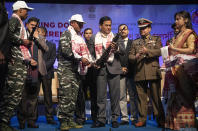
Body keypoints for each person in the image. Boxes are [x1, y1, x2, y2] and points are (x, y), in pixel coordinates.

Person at [0, 1, 33, 131]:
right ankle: (3, 121)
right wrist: (23, 41)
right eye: (26, 10)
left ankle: (4, 121)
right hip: (15, 63)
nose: (27, 13)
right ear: (19, 10)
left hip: (18, 62)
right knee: (13, 93)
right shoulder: (14, 20)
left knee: (15, 93)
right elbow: (7, 36)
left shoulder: (18, 21)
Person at [163, 11, 197, 130]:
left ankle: (187, 125)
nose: (176, 21)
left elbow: (192, 50)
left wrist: (174, 49)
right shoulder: (178, 35)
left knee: (185, 98)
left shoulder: (189, 34)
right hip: (175, 71)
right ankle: (175, 125)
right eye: (175, 19)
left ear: (186, 20)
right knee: (175, 97)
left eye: (178, 19)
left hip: (185, 72)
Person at [57, 14, 92, 131]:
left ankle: (70, 120)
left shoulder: (78, 37)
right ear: (72, 23)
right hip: (66, 70)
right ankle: (63, 121)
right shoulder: (66, 34)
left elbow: (83, 53)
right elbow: (66, 51)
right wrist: (81, 59)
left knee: (73, 97)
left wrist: (89, 60)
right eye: (79, 23)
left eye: (82, 23)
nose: (82, 25)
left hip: (75, 71)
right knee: (65, 96)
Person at [128, 18, 165, 128]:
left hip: (153, 71)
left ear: (149, 28)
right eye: (140, 29)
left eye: (144, 28)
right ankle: (142, 120)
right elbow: (130, 57)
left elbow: (160, 51)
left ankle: (160, 119)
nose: (142, 30)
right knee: (141, 98)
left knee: (156, 97)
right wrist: (136, 56)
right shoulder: (135, 42)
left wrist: (147, 51)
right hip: (139, 72)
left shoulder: (156, 39)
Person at [17, 17, 49, 129]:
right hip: (24, 69)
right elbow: (19, 52)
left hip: (37, 71)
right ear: (27, 25)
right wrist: (28, 60)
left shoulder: (39, 37)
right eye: (31, 25)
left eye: (35, 25)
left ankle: (31, 121)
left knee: (33, 98)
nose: (33, 27)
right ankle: (22, 121)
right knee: (23, 97)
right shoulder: (22, 37)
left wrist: (37, 38)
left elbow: (46, 49)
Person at [92, 16, 124, 128]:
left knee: (115, 96)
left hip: (114, 68)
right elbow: (91, 53)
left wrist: (117, 49)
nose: (108, 27)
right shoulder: (94, 37)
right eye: (106, 25)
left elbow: (123, 50)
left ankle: (115, 118)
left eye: (110, 25)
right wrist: (94, 62)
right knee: (101, 96)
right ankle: (101, 119)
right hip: (100, 69)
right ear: (100, 25)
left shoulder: (116, 36)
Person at [75, 28, 97, 125]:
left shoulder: (96, 45)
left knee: (94, 96)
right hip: (82, 73)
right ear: (83, 35)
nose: (88, 35)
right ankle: (81, 117)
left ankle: (95, 117)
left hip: (92, 72)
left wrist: (93, 63)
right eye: (86, 33)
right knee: (81, 96)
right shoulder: (80, 44)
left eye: (90, 33)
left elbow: (98, 57)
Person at [117, 24, 138, 125]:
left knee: (133, 96)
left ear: (128, 31)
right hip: (120, 73)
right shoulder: (115, 44)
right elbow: (114, 59)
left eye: (125, 29)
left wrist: (128, 69)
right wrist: (120, 68)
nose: (123, 31)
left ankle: (134, 117)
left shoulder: (133, 43)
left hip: (131, 73)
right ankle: (124, 118)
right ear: (118, 32)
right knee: (122, 97)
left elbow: (134, 57)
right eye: (121, 29)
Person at [38, 26, 57, 125]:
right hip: (35, 72)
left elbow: (53, 58)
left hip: (47, 72)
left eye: (39, 32)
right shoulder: (34, 43)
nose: (38, 33)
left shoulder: (52, 45)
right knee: (33, 96)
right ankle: (32, 118)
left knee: (48, 96)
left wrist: (43, 67)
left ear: (45, 33)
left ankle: (49, 118)